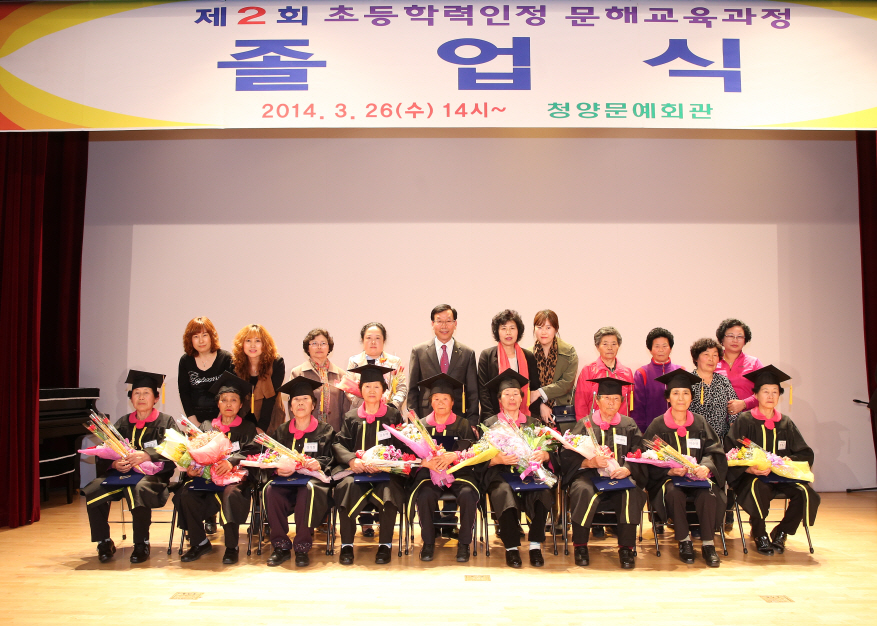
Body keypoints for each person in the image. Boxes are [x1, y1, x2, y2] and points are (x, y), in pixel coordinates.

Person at [724, 365, 820, 555]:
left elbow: (805, 452)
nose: (770, 396)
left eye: (775, 391)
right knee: (758, 488)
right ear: (756, 395)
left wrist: (788, 461)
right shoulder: (745, 420)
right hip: (754, 476)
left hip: (782, 477)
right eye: (765, 391)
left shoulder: (785, 422)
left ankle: (782, 531)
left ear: (779, 395)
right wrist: (749, 469)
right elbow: (730, 450)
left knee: (806, 493)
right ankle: (759, 533)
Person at [83, 370, 175, 564]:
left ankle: (141, 543)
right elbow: (105, 450)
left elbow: (175, 450)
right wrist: (114, 463)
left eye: (146, 393)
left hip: (152, 478)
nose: (141, 397)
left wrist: (147, 455)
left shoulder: (166, 422)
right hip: (121, 475)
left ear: (156, 398)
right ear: (131, 398)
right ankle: (104, 541)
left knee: (138, 489)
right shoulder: (123, 423)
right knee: (93, 489)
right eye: (136, 393)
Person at [642, 369, 728, 567]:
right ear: (668, 398)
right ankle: (684, 541)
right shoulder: (658, 425)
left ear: (691, 398)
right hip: (670, 480)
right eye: (675, 393)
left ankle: (708, 544)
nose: (681, 398)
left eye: (685, 393)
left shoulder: (700, 422)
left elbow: (714, 450)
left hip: (699, 479)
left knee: (708, 494)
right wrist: (668, 471)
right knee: (673, 493)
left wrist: (706, 467)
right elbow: (647, 456)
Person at [559, 377, 644, 570]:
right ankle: (580, 545)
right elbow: (567, 455)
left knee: (632, 492)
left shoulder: (629, 425)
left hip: (620, 477)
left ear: (622, 402)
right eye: (606, 398)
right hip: (589, 476)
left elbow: (639, 452)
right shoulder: (585, 424)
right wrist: (589, 462)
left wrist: (628, 469)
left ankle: (626, 548)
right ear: (597, 400)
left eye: (616, 399)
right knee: (582, 490)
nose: (611, 403)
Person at [175, 372, 259, 564]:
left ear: (240, 404)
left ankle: (231, 546)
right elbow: (195, 451)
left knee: (230, 495)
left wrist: (231, 462)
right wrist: (192, 468)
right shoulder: (207, 426)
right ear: (218, 404)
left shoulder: (247, 428)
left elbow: (252, 451)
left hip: (235, 480)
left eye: (234, 400)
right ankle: (199, 542)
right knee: (186, 494)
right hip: (207, 478)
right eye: (224, 400)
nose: (229, 404)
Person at [475, 369, 556, 569]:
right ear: (500, 399)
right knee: (502, 492)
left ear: (521, 398)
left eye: (515, 394)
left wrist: (545, 455)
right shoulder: (490, 424)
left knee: (544, 491)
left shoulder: (533, 423)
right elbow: (478, 458)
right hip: (501, 475)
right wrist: (495, 459)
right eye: (507, 394)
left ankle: (535, 545)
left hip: (530, 474)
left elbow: (550, 450)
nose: (511, 398)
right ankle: (511, 548)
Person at [331, 364, 407, 565]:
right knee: (345, 488)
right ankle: (347, 545)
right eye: (367, 386)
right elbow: (339, 443)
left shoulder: (392, 416)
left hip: (385, 473)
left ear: (383, 390)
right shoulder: (351, 417)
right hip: (357, 472)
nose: (372, 391)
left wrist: (385, 463)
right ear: (360, 390)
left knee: (390, 491)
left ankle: (385, 545)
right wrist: (352, 460)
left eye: (376, 387)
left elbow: (402, 445)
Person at [407, 373, 479, 563]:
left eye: (445, 399)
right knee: (424, 494)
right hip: (429, 474)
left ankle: (464, 543)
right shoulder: (421, 425)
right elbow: (411, 456)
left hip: (459, 472)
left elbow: (474, 450)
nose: (440, 403)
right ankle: (428, 542)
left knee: (468, 494)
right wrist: (425, 462)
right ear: (430, 402)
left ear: (452, 402)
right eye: (436, 399)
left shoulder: (463, 424)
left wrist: (455, 455)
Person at [263, 375, 335, 567]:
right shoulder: (281, 431)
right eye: (296, 400)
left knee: (307, 491)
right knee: (271, 491)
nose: (300, 403)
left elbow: (331, 458)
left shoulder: (325, 431)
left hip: (311, 484)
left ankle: (302, 547)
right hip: (285, 481)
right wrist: (277, 469)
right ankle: (280, 546)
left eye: (305, 399)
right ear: (291, 407)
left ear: (313, 405)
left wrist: (318, 463)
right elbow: (270, 457)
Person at [408, 304, 479, 429]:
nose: (444, 326)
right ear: (432, 324)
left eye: (448, 321)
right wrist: (415, 422)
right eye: (439, 321)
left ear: (455, 323)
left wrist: (472, 423)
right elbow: (413, 390)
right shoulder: (419, 351)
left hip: (458, 417)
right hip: (426, 417)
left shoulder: (467, 353)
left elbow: (473, 392)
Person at [478, 309, 544, 421]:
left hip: (524, 419)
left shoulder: (528, 357)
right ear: (497, 331)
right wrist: (492, 421)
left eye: (512, 328)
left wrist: (533, 419)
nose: (508, 332)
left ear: (518, 331)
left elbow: (533, 388)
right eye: (503, 328)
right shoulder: (487, 356)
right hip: (494, 418)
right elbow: (483, 391)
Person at [289, 328, 351, 433]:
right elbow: (292, 406)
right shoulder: (298, 373)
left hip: (334, 431)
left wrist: (343, 433)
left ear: (329, 347)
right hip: (306, 432)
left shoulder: (340, 374)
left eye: (323, 343)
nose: (319, 347)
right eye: (314, 343)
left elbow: (345, 408)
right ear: (307, 348)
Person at [177, 316, 235, 424]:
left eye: (204, 335)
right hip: (195, 420)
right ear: (190, 339)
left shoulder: (226, 359)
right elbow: (184, 393)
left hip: (223, 419)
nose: (201, 340)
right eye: (196, 336)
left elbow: (231, 392)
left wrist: (218, 422)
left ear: (212, 336)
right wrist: (195, 423)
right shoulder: (185, 361)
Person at [232, 324, 285, 433]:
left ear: (265, 344)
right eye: (248, 341)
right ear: (242, 344)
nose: (252, 345)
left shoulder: (276, 363)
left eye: (257, 341)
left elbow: (270, 398)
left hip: (271, 417)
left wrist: (261, 427)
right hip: (243, 418)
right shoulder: (236, 365)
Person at [531, 309, 579, 427]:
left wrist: (539, 392)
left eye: (548, 327)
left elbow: (566, 383)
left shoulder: (569, 352)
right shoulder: (528, 354)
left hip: (562, 412)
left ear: (556, 329)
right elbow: (526, 387)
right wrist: (540, 405)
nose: (544, 332)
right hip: (535, 414)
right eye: (539, 327)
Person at [574, 326, 634, 420]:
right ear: (597, 347)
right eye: (605, 344)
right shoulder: (588, 371)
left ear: (618, 346)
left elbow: (631, 403)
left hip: (621, 425)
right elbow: (581, 405)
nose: (610, 348)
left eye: (614, 344)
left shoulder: (627, 373)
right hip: (595, 424)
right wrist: (586, 426)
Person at [346, 322, 407, 410]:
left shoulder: (394, 361)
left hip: (389, 412)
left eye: (377, 338)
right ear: (362, 340)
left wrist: (391, 406)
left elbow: (401, 389)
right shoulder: (354, 361)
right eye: (369, 338)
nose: (373, 342)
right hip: (361, 411)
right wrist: (368, 407)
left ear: (384, 340)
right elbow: (348, 390)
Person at [630, 327, 682, 433]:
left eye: (665, 346)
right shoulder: (642, 373)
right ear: (650, 349)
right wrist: (641, 432)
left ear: (670, 348)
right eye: (657, 346)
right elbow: (638, 407)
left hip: (678, 429)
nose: (661, 350)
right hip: (651, 431)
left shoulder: (680, 371)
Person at [689, 338, 740, 440]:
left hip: (720, 440)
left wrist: (733, 430)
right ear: (696, 358)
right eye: (706, 354)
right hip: (695, 439)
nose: (711, 359)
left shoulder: (723, 381)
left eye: (715, 355)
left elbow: (734, 408)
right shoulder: (688, 381)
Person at [715, 318, 764, 415]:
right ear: (722, 339)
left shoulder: (754, 363)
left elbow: (764, 391)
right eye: (730, 336)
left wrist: (744, 404)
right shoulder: (713, 362)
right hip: (717, 418)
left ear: (745, 340)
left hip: (748, 417)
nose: (735, 340)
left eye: (740, 336)